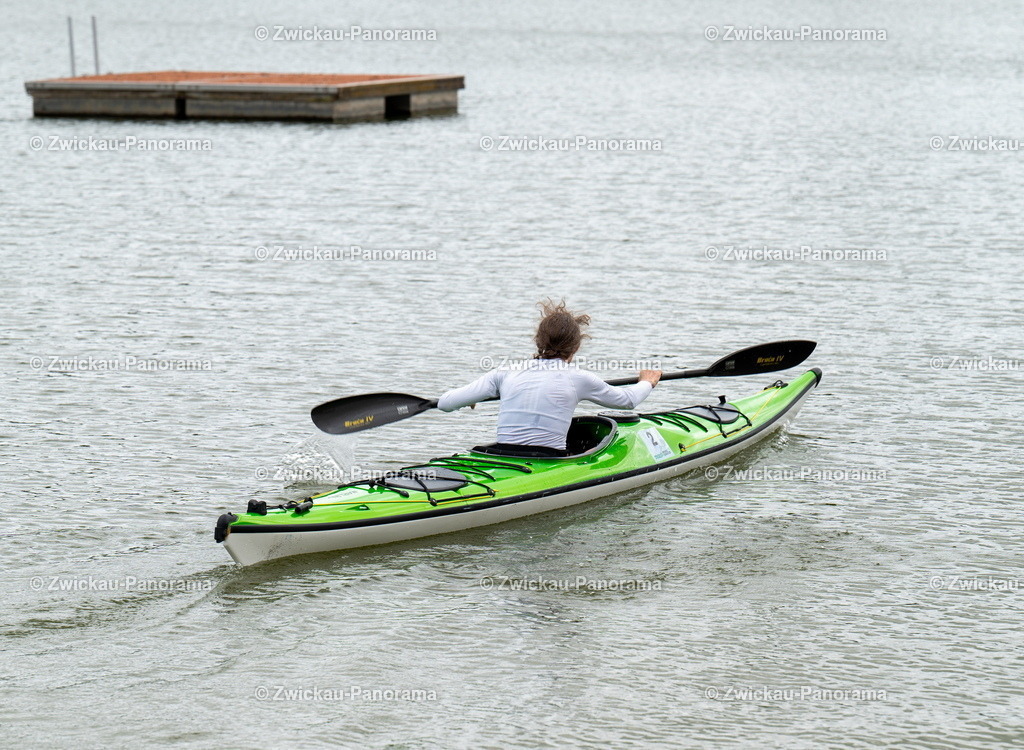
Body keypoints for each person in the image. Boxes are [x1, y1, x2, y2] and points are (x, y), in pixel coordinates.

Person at [437, 300, 662, 456]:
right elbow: (627, 401)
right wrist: (647, 381)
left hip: (502, 453)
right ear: (576, 347)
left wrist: (469, 398)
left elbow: (445, 403)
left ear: (538, 341)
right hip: (548, 458)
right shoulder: (578, 378)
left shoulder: (504, 373)